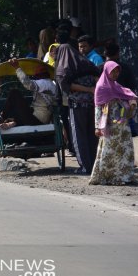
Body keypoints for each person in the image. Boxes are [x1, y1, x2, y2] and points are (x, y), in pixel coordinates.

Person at [56, 33, 100, 174]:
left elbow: (67, 85)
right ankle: (94, 165)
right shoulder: (86, 62)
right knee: (92, 135)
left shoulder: (65, 67)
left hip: (77, 105)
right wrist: (92, 90)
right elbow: (97, 77)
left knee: (79, 136)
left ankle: (85, 167)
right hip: (92, 104)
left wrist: (85, 89)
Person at [89, 61, 138, 185]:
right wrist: (97, 127)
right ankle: (108, 177)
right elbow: (98, 108)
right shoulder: (101, 87)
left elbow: (128, 94)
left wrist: (131, 103)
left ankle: (124, 176)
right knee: (109, 151)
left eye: (117, 71)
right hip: (109, 125)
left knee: (124, 150)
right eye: (113, 71)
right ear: (107, 71)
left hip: (122, 125)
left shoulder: (116, 86)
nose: (115, 74)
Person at [0, 58, 58, 129]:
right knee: (20, 105)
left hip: (37, 120)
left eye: (37, 69)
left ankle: (2, 117)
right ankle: (12, 122)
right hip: (39, 118)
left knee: (14, 93)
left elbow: (27, 83)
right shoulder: (51, 84)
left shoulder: (44, 82)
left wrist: (17, 67)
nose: (35, 70)